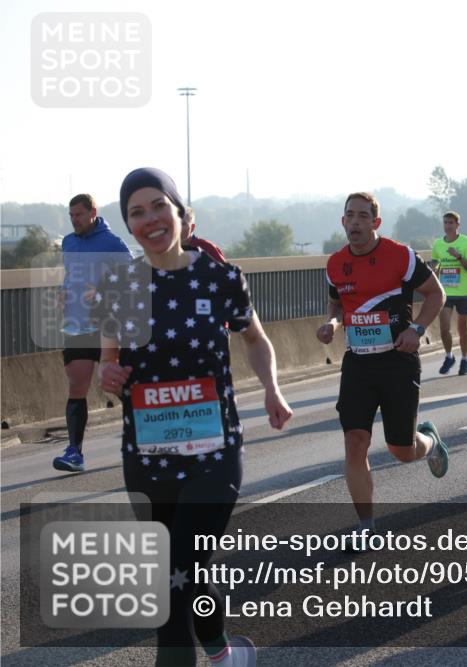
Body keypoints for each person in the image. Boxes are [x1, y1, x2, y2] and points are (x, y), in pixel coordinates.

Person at [97, 167, 293, 666]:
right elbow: (109, 356)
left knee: (173, 578)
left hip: (215, 453)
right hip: (149, 456)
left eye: (159, 205)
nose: (150, 219)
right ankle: (223, 652)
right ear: (129, 225)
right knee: (187, 569)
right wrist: (109, 372)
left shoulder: (221, 277)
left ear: (181, 212)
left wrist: (271, 389)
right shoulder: (120, 285)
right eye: (136, 212)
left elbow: (255, 339)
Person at [319, 192, 449, 534]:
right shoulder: (335, 264)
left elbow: (436, 294)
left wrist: (417, 328)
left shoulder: (400, 256)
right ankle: (366, 526)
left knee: (401, 450)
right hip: (358, 365)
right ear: (343, 221)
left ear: (375, 223)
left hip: (398, 362)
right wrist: (332, 324)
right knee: (355, 442)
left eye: (363, 216)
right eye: (350, 215)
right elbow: (336, 305)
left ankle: (431, 443)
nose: (356, 222)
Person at [52, 193, 132, 473]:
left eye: (79, 215)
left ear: (92, 212)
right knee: (77, 387)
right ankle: (74, 452)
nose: (74, 220)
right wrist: (64, 293)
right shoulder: (69, 242)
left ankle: (148, 434)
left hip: (107, 325)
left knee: (117, 386)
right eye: (71, 215)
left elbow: (133, 278)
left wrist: (103, 292)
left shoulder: (112, 243)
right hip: (76, 326)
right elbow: (71, 274)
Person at [431, 211, 467, 375]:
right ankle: (449, 356)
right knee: (444, 328)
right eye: (445, 223)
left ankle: (465, 359)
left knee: (462, 329)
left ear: (458, 225)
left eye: (451, 223)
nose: (448, 226)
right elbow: (434, 262)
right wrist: (434, 268)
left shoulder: (465, 242)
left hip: (464, 292)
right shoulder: (438, 244)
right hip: (446, 292)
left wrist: (458, 256)